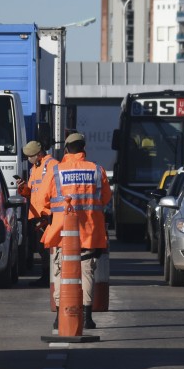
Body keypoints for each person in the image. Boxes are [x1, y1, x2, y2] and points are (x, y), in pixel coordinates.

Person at [41, 132, 111, 329]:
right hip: (89, 233)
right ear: (84, 149)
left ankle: (59, 317)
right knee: (87, 272)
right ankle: (87, 317)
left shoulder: (56, 171)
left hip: (62, 233)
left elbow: (44, 200)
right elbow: (105, 198)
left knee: (61, 272)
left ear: (66, 150)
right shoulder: (97, 170)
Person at [20, 140, 58, 287]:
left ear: (38, 154)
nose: (28, 159)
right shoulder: (35, 168)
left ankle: (48, 276)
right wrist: (23, 188)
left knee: (47, 247)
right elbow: (31, 192)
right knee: (42, 248)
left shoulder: (52, 165)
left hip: (46, 214)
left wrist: (50, 213)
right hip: (37, 214)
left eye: (30, 156)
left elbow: (54, 190)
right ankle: (47, 275)